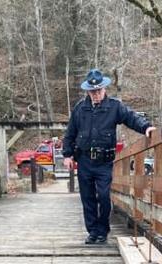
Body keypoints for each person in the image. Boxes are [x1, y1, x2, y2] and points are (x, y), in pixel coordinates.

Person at [62, 68, 156, 244]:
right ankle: (92, 232)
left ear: (104, 88)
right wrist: (67, 155)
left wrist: (146, 127)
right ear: (88, 91)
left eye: (98, 91)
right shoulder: (80, 109)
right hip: (84, 160)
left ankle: (102, 231)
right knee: (87, 197)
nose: (96, 94)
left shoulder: (114, 107)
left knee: (104, 197)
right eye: (92, 91)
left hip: (104, 162)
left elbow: (131, 118)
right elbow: (70, 134)